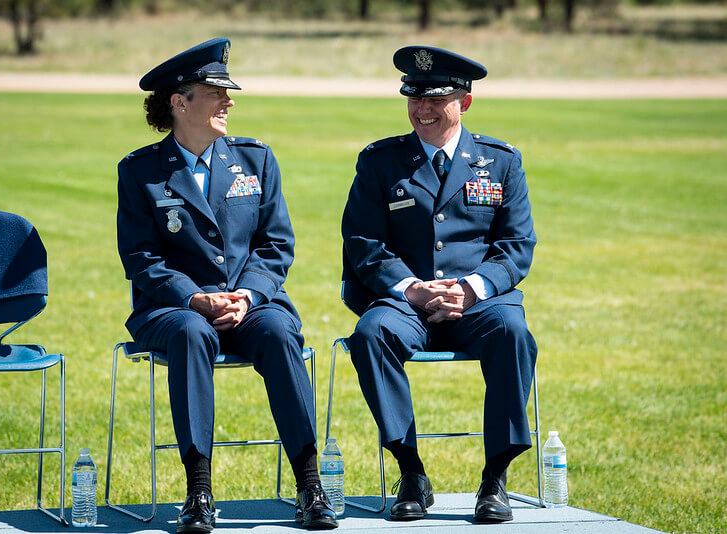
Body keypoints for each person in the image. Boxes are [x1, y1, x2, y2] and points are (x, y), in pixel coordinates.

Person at [116, 38, 338, 533]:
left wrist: (249, 295)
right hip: (173, 308)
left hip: (252, 304)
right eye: (216, 91)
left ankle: (310, 487)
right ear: (180, 101)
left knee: (281, 334)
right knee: (193, 334)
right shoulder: (140, 172)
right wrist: (194, 298)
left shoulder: (256, 160)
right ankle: (198, 493)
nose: (229, 101)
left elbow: (276, 245)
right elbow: (141, 258)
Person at [341, 45, 538, 524]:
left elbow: (516, 246)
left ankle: (495, 480)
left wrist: (470, 288)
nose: (422, 110)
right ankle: (411, 473)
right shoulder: (380, 161)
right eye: (414, 98)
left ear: (464, 103)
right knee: (372, 334)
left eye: (436, 100)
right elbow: (363, 243)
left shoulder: (502, 161)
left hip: (479, 304)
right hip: (406, 303)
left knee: (514, 334)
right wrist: (411, 288)